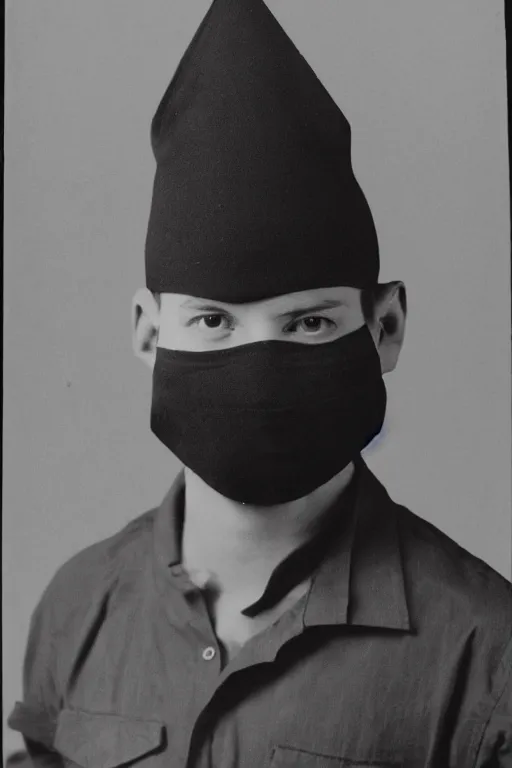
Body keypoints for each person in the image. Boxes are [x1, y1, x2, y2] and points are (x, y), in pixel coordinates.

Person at [7, 0, 511, 766]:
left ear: (385, 330)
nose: (260, 368)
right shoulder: (77, 608)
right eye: (213, 322)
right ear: (147, 333)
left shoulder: (486, 651)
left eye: (307, 322)